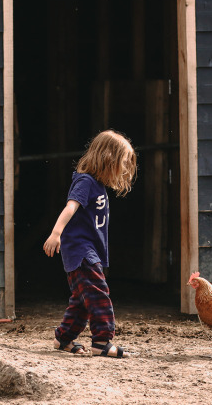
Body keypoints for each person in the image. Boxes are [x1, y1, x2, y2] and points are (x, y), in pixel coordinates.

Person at [43, 129, 137, 358]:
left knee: (82, 299)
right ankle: (102, 342)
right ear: (108, 158)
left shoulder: (97, 184)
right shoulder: (85, 181)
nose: (124, 168)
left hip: (88, 250)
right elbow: (70, 207)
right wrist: (56, 233)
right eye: (122, 162)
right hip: (81, 250)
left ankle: (63, 339)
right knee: (98, 294)